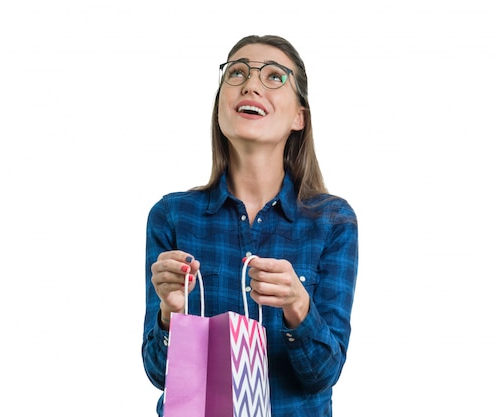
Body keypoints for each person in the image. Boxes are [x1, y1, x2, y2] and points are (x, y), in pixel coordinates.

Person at [142, 34, 359, 417]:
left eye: (274, 76)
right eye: (237, 72)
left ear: (299, 117)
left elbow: (324, 374)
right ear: (220, 106)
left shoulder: (332, 221)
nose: (252, 83)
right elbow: (159, 374)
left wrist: (298, 305)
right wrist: (170, 313)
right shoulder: (173, 216)